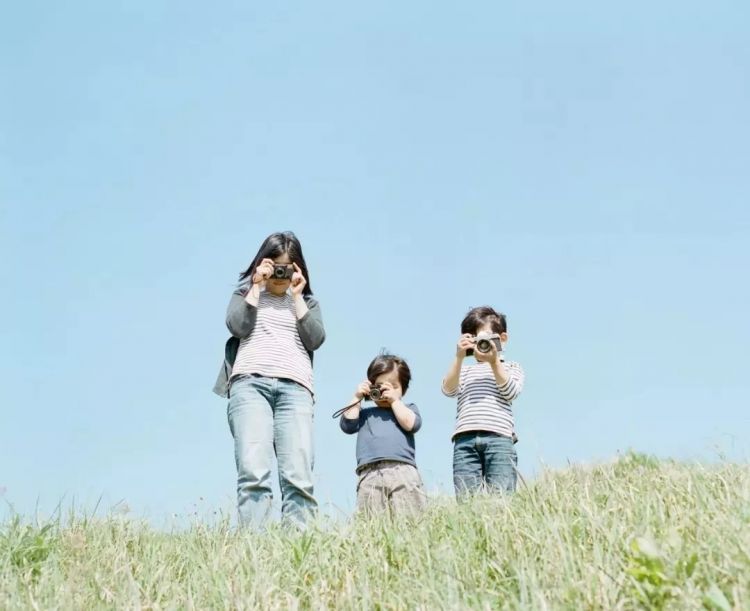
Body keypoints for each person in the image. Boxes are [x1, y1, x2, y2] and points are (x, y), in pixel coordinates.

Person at [213, 231, 325, 528]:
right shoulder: (245, 296)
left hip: (296, 390)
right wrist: (255, 287)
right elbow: (237, 326)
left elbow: (316, 339)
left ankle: (300, 550)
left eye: (286, 267)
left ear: (298, 268)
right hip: (249, 386)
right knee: (253, 472)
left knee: (299, 476)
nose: (279, 272)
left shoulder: (308, 303)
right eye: (273, 264)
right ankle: (253, 551)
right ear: (261, 263)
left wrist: (298, 298)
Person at [441, 306, 525, 497]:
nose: (481, 344)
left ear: (502, 339)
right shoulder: (465, 370)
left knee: (502, 496)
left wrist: (494, 362)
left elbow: (510, 392)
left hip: (499, 437)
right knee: (466, 498)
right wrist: (459, 357)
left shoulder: (511, 367)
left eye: (485, 338)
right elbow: (448, 389)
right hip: (464, 439)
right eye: (475, 339)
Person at [339, 354, 426, 516]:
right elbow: (347, 425)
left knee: (411, 520)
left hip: (403, 470)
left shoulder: (408, 408)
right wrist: (357, 397)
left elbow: (411, 424)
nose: (386, 391)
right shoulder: (365, 413)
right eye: (379, 386)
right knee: (370, 524)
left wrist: (394, 401)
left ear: (404, 389)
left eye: (393, 386)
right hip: (369, 473)